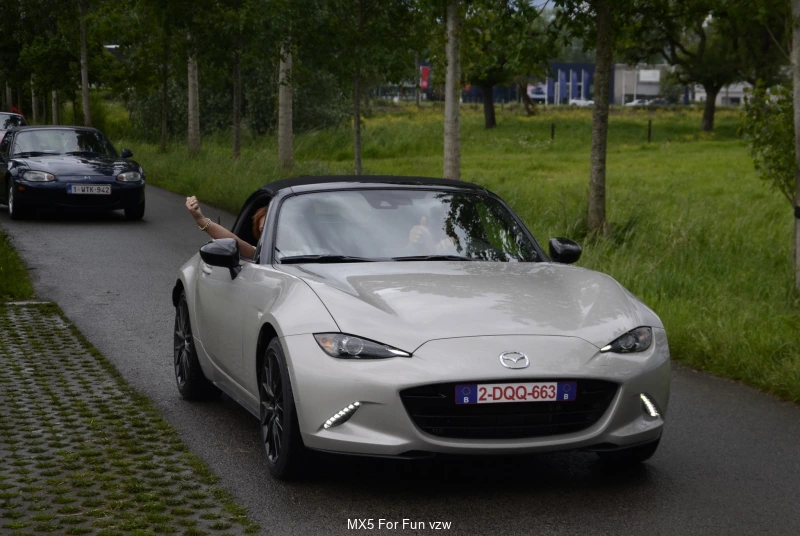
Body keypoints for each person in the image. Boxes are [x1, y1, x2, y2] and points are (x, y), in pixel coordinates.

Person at [186, 196, 267, 259]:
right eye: (263, 230)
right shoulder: (261, 256)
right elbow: (234, 241)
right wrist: (201, 219)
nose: (269, 233)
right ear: (259, 236)